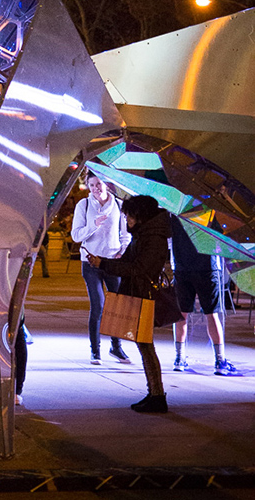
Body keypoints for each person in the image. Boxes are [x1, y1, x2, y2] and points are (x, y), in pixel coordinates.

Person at [92, 194, 171, 413]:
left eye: (129, 216)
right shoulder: (142, 235)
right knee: (143, 345)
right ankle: (154, 393)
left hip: (145, 296)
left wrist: (106, 265)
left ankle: (158, 396)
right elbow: (128, 262)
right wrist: (104, 262)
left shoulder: (154, 238)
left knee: (146, 345)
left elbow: (139, 269)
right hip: (137, 294)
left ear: (141, 215)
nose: (126, 220)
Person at [70, 172, 132, 364]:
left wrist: (122, 250)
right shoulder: (84, 205)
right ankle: (95, 351)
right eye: (92, 185)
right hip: (91, 262)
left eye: (99, 183)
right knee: (98, 305)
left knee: (116, 306)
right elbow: (76, 235)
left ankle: (116, 347)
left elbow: (126, 233)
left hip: (113, 262)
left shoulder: (119, 205)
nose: (96, 188)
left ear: (106, 183)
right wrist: (93, 225)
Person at [170, 215, 239, 376]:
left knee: (181, 315)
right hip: (208, 266)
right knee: (211, 313)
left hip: (182, 267)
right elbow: (222, 236)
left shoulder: (175, 212)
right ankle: (220, 361)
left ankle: (179, 359)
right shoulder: (208, 212)